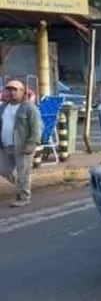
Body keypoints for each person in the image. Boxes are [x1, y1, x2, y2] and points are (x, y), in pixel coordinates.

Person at [0, 79, 43, 207]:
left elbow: (36, 127)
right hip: (5, 145)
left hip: (22, 146)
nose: (12, 92)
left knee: (23, 172)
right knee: (4, 169)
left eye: (15, 90)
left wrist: (32, 144)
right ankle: (22, 187)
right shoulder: (3, 107)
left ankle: (24, 197)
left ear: (22, 92)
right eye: (9, 89)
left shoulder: (29, 107)